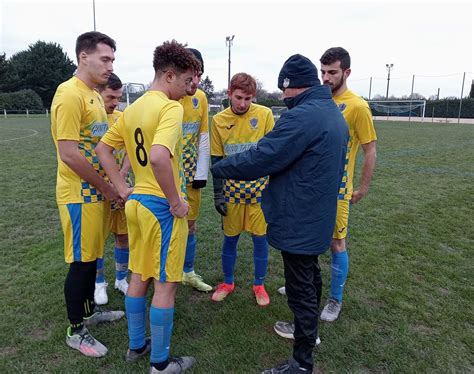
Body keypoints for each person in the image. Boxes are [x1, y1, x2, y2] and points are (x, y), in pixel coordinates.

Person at [211, 54, 348, 373]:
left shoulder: (303, 116)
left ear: (293, 87)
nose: (283, 99)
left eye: (284, 92)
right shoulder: (330, 111)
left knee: (300, 285)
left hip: (300, 216)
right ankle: (307, 332)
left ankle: (301, 363)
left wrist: (219, 168)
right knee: (311, 277)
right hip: (317, 214)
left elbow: (263, 156)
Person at [96, 40, 201, 373]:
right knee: (167, 283)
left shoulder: (133, 109)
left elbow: (102, 148)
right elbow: (157, 156)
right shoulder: (170, 108)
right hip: (160, 207)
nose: (191, 89)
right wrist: (176, 202)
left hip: (136, 203)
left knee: (139, 274)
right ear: (169, 76)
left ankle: (136, 345)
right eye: (187, 82)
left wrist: (122, 187)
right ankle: (160, 364)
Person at [274, 47, 377, 333]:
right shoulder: (315, 101)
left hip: (338, 190)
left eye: (332, 72)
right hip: (310, 188)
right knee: (307, 240)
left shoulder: (356, 106)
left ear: (347, 72)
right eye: (323, 72)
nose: (326, 78)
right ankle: (301, 285)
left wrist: (363, 187)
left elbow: (370, 149)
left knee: (336, 243)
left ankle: (334, 299)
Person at [50, 31, 124, 358]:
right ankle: (75, 330)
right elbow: (69, 153)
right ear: (84, 56)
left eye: (112, 59)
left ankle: (90, 312)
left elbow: (98, 147)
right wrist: (109, 187)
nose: (110, 66)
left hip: (96, 194)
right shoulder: (69, 94)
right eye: (105, 58)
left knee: (92, 255)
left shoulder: (94, 95)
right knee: (81, 262)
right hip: (79, 195)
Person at [210, 72, 275, 307]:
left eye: (248, 99)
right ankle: (228, 282)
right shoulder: (218, 120)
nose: (243, 103)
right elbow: (216, 161)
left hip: (259, 192)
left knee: (260, 240)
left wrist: (274, 192)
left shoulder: (265, 115)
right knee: (230, 239)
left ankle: (259, 285)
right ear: (229, 94)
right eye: (238, 97)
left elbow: (273, 155)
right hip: (232, 193)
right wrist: (218, 194)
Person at [94, 72, 131, 305]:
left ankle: (121, 279)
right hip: (97, 189)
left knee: (123, 235)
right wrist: (108, 185)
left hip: (120, 188)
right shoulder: (93, 121)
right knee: (97, 239)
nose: (115, 103)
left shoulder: (122, 118)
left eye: (118, 98)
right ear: (98, 93)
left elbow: (129, 149)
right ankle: (99, 283)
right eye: (110, 97)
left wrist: (122, 177)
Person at [178, 48, 212, 292]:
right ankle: (167, 271)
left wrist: (201, 173)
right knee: (167, 225)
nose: (196, 81)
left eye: (199, 74)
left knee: (190, 225)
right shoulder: (167, 96)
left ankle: (188, 271)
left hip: (191, 176)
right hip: (166, 175)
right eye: (192, 75)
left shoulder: (201, 98)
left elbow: (202, 136)